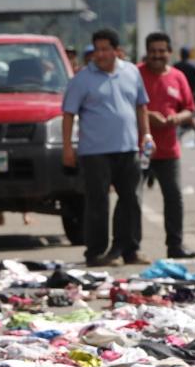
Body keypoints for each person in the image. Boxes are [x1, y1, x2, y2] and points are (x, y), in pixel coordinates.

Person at [62, 27, 152, 266]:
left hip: (128, 148)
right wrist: (67, 148)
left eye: (105, 49)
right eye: (97, 50)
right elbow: (68, 114)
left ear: (116, 51)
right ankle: (96, 252)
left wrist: (146, 135)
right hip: (94, 152)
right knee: (97, 202)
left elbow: (141, 106)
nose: (100, 55)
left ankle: (129, 249)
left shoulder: (132, 72)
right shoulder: (81, 79)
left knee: (131, 199)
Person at [138, 32, 195, 259]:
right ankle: (130, 247)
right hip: (139, 147)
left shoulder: (178, 77)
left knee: (173, 197)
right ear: (147, 52)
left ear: (169, 53)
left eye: (161, 51)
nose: (157, 55)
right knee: (132, 198)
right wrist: (147, 116)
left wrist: (177, 118)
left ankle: (175, 245)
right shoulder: (135, 74)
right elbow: (125, 105)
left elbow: (189, 109)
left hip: (168, 148)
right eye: (153, 51)